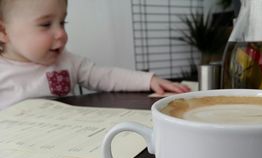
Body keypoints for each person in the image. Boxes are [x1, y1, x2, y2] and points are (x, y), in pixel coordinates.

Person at [0, 0, 190, 110]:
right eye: (45, 24)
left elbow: (105, 76)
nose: (61, 34)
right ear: (3, 31)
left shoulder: (67, 61)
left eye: (63, 22)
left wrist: (148, 80)